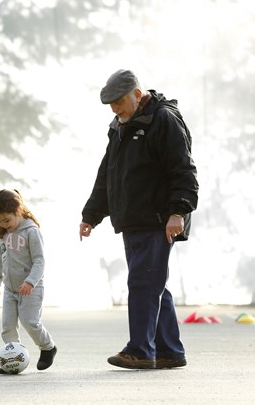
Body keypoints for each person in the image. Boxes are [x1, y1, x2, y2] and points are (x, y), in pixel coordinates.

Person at [79, 69, 198, 370]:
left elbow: (183, 170)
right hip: (132, 219)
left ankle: (141, 350)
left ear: (137, 93)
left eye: (119, 102)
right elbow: (108, 173)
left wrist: (178, 212)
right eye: (111, 105)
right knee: (154, 283)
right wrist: (92, 215)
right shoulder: (119, 126)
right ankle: (170, 350)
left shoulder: (164, 120)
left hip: (158, 219)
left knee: (144, 282)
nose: (115, 109)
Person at [0, 189, 57, 374]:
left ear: (18, 211)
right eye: (0, 221)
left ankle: (48, 347)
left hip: (31, 287)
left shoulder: (31, 232)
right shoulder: (3, 234)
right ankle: (13, 357)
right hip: (10, 289)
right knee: (8, 326)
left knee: (30, 322)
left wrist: (30, 281)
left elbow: (39, 260)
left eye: (7, 220)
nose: (4, 225)